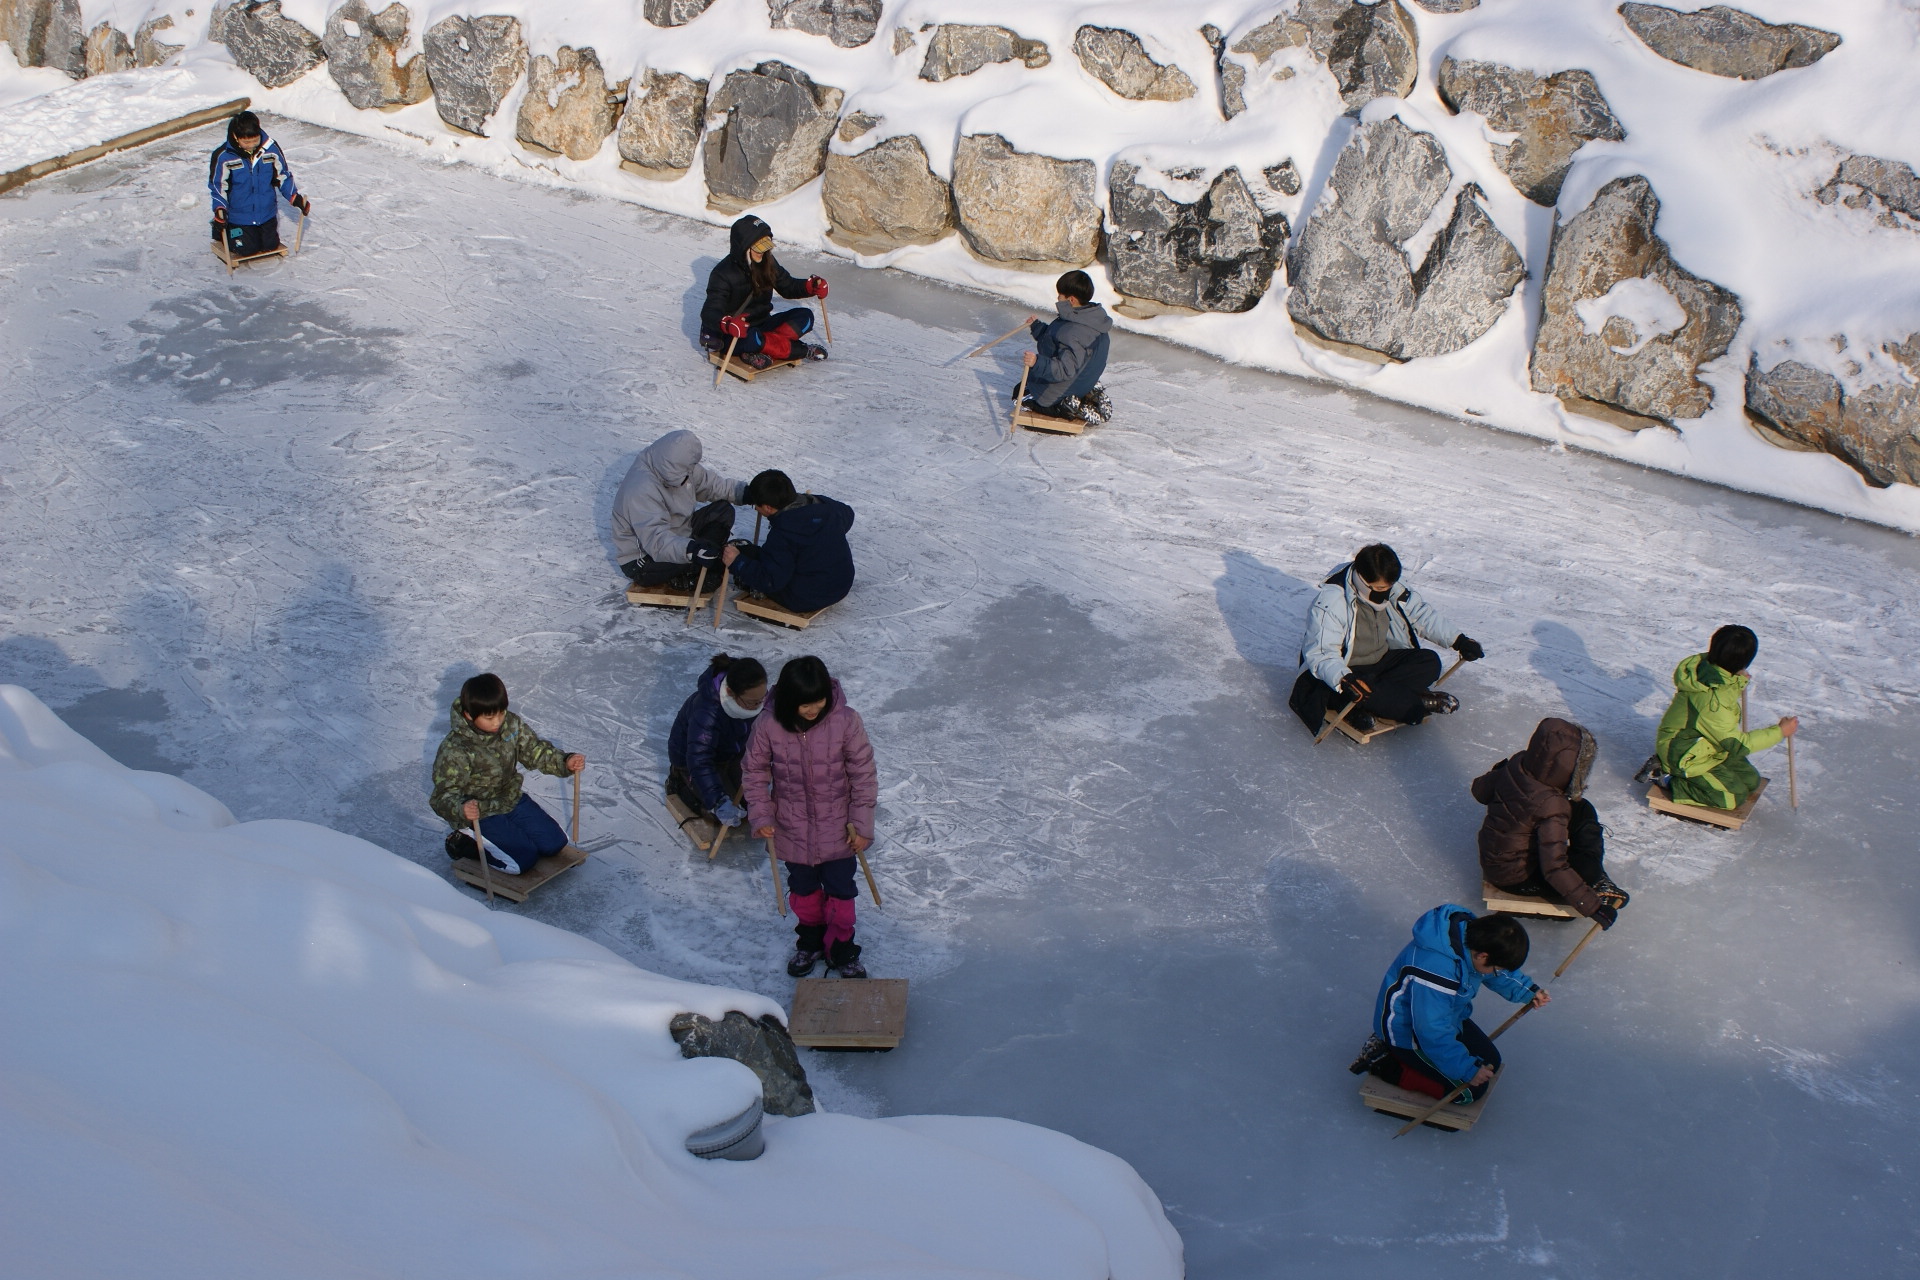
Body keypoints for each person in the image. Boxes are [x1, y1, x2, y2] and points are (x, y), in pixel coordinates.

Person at [742, 656, 878, 979]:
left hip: (839, 829)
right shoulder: (768, 725)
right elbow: (753, 771)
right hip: (791, 828)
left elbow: (863, 774)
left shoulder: (845, 721)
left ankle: (843, 949)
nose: (814, 709)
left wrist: (861, 825)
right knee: (803, 892)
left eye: (819, 701)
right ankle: (810, 942)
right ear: (790, 701)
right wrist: (761, 814)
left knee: (841, 893)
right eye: (805, 704)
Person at [1351, 907, 1548, 1104]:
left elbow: (1495, 972)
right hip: (1409, 1032)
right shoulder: (1437, 970)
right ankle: (1385, 1062)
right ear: (1483, 956)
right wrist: (1467, 1069)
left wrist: (1528, 991)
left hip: (1448, 1018)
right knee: (1470, 1092)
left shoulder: (1472, 938)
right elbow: (1430, 1029)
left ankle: (1431, 1063)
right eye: (1497, 967)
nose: (1498, 971)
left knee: (1490, 1063)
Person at [1290, 543, 1484, 735]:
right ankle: (1411, 702)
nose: (1385, 592)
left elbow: (1420, 614)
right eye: (1380, 588)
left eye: (1388, 587)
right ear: (1362, 580)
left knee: (1429, 661)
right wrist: (1344, 679)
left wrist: (1458, 640)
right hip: (1343, 672)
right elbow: (1321, 654)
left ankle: (1373, 701)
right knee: (1370, 691)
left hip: (1379, 663)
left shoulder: (1391, 587)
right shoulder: (1331, 602)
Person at [1473, 718, 1629, 928]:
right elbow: (1553, 868)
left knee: (1581, 807)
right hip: (1514, 876)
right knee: (1583, 870)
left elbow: (1479, 791)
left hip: (1497, 856)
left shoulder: (1518, 764)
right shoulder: (1551, 805)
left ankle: (1591, 871)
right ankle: (1594, 877)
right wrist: (1594, 907)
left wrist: (1499, 774)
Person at [430, 673, 583, 876]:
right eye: (489, 717)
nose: (497, 722)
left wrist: (565, 762)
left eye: (501, 713)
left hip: (509, 798)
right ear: (469, 715)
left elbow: (534, 751)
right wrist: (462, 809)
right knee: (522, 861)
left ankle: (507, 834)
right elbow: (442, 796)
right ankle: (465, 842)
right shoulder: (456, 749)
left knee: (554, 843)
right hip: (480, 812)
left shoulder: (510, 725)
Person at [1648, 624, 1798, 809]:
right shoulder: (1712, 703)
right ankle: (1666, 777)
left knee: (1751, 781)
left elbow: (1723, 690)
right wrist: (1780, 732)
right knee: (1732, 798)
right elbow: (1737, 744)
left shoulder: (1710, 668)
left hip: (1708, 746)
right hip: (1685, 755)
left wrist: (1737, 678)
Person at [612, 429, 748, 589]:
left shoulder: (681, 465)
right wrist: (691, 549)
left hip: (678, 535)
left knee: (723, 510)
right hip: (645, 557)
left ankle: (703, 557)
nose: (687, 477)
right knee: (710, 567)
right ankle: (692, 571)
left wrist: (745, 493)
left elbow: (709, 484)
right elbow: (656, 542)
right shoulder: (641, 489)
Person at [700, 214, 828, 369]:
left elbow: (787, 286)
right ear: (743, 246)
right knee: (753, 338)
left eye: (765, 245)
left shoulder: (768, 262)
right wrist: (727, 324)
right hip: (735, 335)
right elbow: (709, 312)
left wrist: (810, 287)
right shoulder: (722, 274)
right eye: (757, 247)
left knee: (805, 316)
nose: (762, 252)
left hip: (763, 324)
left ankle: (762, 348)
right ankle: (801, 350)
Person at [721, 470, 855, 614]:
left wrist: (737, 562)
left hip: (807, 597)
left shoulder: (783, 534)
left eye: (756, 506)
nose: (756, 510)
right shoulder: (826, 507)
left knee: (750, 558)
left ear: (768, 507)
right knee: (765, 555)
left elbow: (771, 581)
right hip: (841, 584)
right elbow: (849, 514)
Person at [667, 654, 767, 831]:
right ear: (730, 692)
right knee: (719, 812)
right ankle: (680, 782)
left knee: (750, 804)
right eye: (753, 702)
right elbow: (699, 759)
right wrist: (717, 801)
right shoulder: (707, 713)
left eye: (762, 698)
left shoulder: (752, 701)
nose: (759, 705)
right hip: (693, 762)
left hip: (730, 754)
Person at [207, 110, 309, 260]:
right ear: (236, 137)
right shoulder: (224, 156)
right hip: (239, 214)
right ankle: (224, 231)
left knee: (270, 246)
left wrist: (294, 196)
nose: (251, 146)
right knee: (247, 250)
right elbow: (218, 186)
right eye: (246, 142)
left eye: (254, 140)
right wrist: (220, 208)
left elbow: (283, 175)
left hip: (266, 212)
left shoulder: (270, 149)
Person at [1017, 270, 1112, 425]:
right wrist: (1037, 327)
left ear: (1071, 299)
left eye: (1060, 295)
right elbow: (1056, 341)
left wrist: (1036, 363)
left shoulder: (1074, 331)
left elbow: (1064, 370)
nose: (1057, 298)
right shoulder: (1091, 318)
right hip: (1084, 379)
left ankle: (1066, 407)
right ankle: (1085, 393)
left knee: (1021, 395)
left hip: (1064, 388)